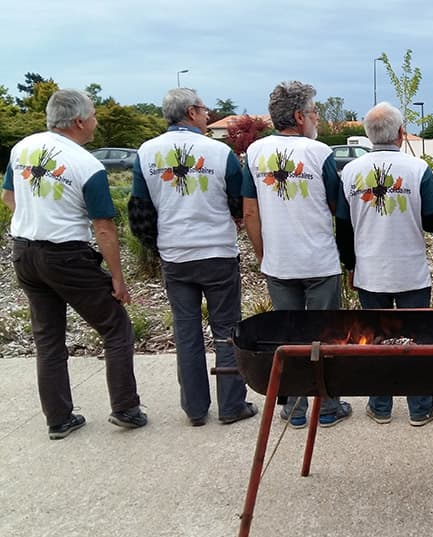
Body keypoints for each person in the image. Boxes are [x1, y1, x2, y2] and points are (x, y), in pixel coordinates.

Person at [3, 89, 147, 439]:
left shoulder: (22, 148)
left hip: (24, 252)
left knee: (48, 338)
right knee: (115, 327)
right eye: (93, 115)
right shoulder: (87, 164)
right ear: (80, 121)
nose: (96, 120)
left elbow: (8, 196)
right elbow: (104, 227)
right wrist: (118, 279)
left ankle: (58, 419)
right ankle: (125, 408)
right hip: (66, 255)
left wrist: (35, 219)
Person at [129, 88, 256, 427]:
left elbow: (139, 212)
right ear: (190, 112)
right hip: (216, 253)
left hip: (176, 256)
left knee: (186, 332)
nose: (207, 114)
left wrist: (160, 245)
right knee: (226, 329)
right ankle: (232, 404)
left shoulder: (146, 152)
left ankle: (195, 408)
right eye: (203, 108)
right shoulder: (220, 153)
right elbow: (237, 203)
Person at [242, 81, 352, 429]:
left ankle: (294, 409)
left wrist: (264, 255)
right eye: (314, 111)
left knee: (288, 337)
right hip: (319, 261)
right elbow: (336, 207)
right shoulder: (319, 153)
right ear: (299, 116)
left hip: (279, 262)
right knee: (324, 336)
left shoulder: (255, 153)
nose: (316, 117)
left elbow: (249, 211)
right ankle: (328, 406)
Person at [335, 102, 433, 427]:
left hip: (369, 271)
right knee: (414, 340)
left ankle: (380, 406)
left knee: (375, 340)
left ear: (369, 135)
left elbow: (343, 226)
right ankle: (420, 408)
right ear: (400, 132)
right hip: (410, 270)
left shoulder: (350, 172)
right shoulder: (418, 169)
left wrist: (350, 265)